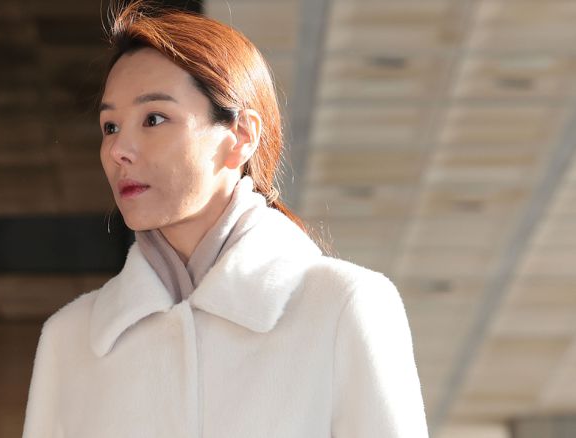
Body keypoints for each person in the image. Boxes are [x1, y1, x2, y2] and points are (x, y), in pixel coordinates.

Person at [22, 2, 429, 437]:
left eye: (154, 119)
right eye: (110, 127)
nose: (119, 150)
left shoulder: (343, 306)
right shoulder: (70, 341)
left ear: (241, 136)